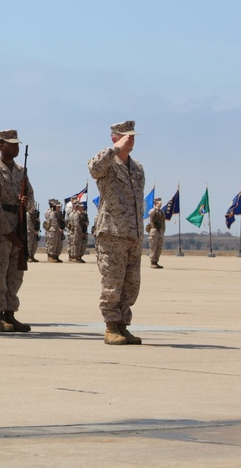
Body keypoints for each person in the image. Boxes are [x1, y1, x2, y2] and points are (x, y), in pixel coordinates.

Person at [88, 120, 146, 346]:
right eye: (125, 135)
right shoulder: (108, 164)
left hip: (133, 234)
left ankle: (123, 324)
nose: (130, 139)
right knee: (112, 282)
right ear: (114, 137)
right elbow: (93, 168)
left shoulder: (137, 168)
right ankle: (111, 326)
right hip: (112, 233)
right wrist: (114, 149)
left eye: (132, 135)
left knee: (131, 284)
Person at [0, 130, 35, 333]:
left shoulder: (21, 171)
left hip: (19, 224)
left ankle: (10, 313)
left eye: (17, 144)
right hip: (2, 229)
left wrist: (28, 203)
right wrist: (8, 232)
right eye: (11, 144)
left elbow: (31, 197)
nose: (16, 147)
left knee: (15, 275)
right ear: (0, 146)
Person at [147, 197, 165, 269]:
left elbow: (163, 222)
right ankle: (152, 262)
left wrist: (163, 231)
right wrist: (156, 208)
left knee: (159, 248)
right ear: (155, 203)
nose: (160, 203)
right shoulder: (153, 210)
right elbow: (150, 214)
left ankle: (156, 261)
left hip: (160, 232)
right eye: (158, 202)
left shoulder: (162, 212)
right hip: (154, 231)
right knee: (153, 247)